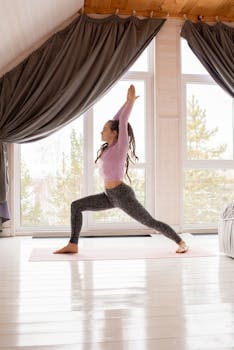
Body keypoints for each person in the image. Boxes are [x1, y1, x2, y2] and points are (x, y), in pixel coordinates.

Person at [54, 85, 189, 254]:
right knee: (76, 206)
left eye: (104, 129)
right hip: (109, 196)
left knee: (149, 221)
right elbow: (117, 120)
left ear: (114, 133)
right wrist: (126, 102)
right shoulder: (109, 147)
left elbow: (122, 121)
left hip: (122, 195)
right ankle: (73, 244)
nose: (101, 131)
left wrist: (131, 103)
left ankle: (181, 242)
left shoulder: (121, 146)